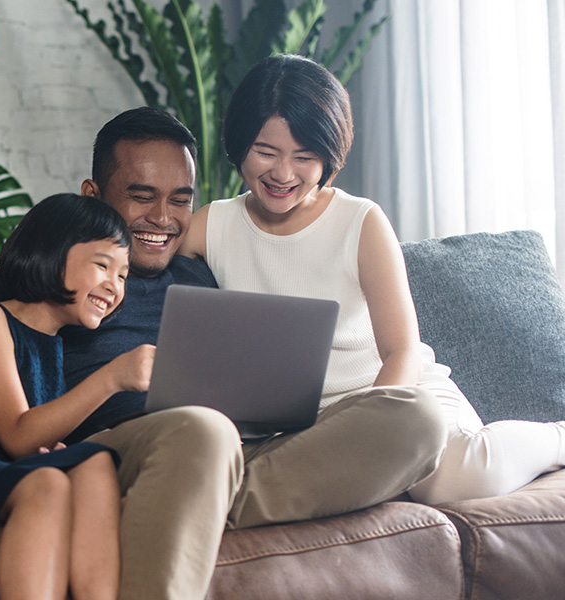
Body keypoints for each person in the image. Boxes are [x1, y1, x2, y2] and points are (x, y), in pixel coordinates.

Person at [0, 105, 445, 599]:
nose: (163, 218)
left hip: (240, 450)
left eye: (180, 199)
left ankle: (197, 501)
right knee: (201, 430)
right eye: (141, 196)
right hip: (133, 451)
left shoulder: (201, 271)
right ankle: (189, 493)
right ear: (94, 197)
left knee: (417, 418)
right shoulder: (61, 276)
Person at [182, 53, 565, 505]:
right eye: (266, 152)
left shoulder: (360, 221)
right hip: (301, 426)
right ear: (239, 143)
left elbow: (402, 351)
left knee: (447, 480)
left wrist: (374, 429)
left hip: (397, 398)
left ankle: (558, 437)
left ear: (329, 157)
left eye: (304, 157)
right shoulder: (211, 227)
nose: (283, 174)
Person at [0, 193, 150, 600]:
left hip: (5, 475)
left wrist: (53, 448)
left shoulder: (54, 345)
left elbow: (34, 440)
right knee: (48, 483)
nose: (115, 285)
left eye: (123, 275)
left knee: (94, 461)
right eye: (102, 265)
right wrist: (113, 377)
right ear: (51, 253)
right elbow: (17, 434)